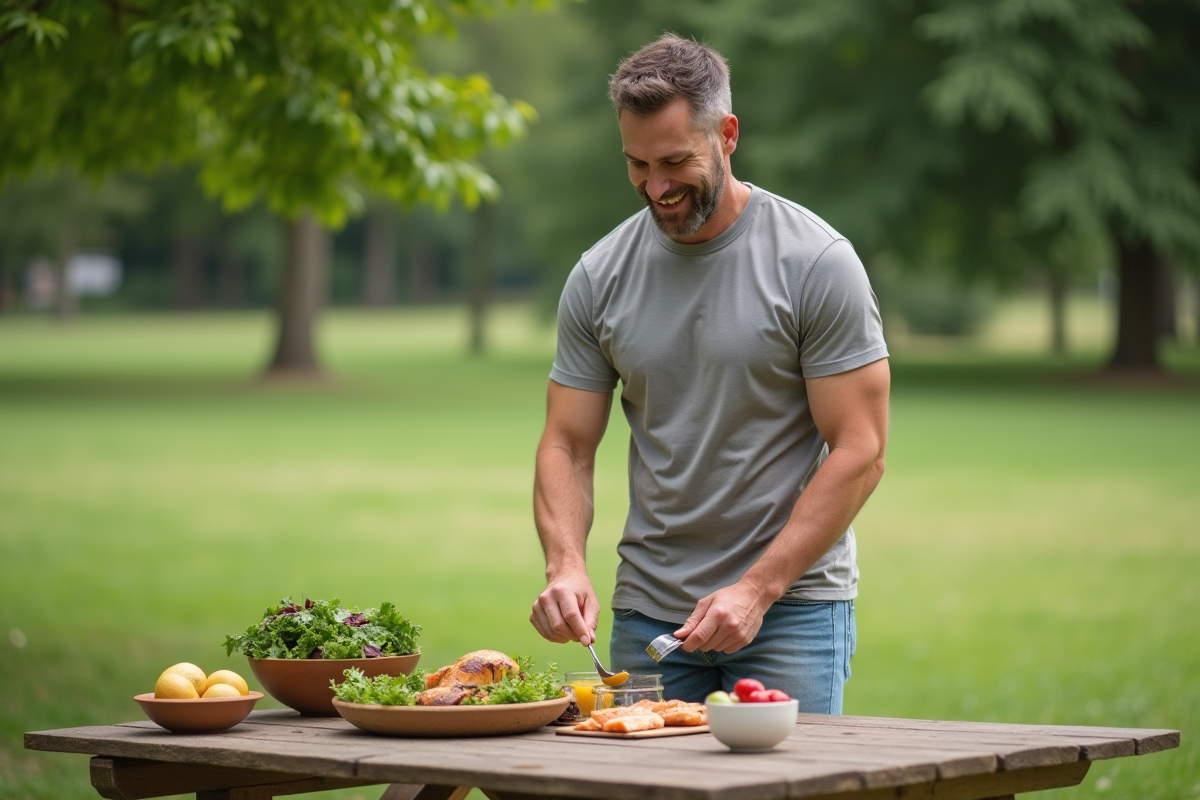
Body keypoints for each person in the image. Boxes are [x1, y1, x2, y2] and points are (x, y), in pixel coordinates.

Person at [529, 33, 890, 713]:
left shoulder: (816, 262)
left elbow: (862, 450)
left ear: (727, 134)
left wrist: (757, 590)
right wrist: (566, 564)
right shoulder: (599, 275)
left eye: (673, 161)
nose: (655, 187)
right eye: (636, 164)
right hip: (649, 617)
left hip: (792, 611)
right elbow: (566, 444)